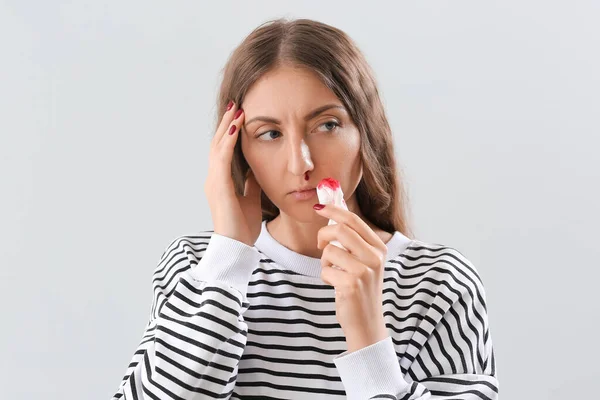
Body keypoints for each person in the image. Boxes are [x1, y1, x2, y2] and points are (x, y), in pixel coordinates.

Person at [111, 18, 499, 400]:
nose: (300, 164)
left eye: (326, 125)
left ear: (367, 132)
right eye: (270, 134)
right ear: (238, 151)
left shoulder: (438, 284)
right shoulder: (196, 267)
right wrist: (228, 258)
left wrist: (368, 341)